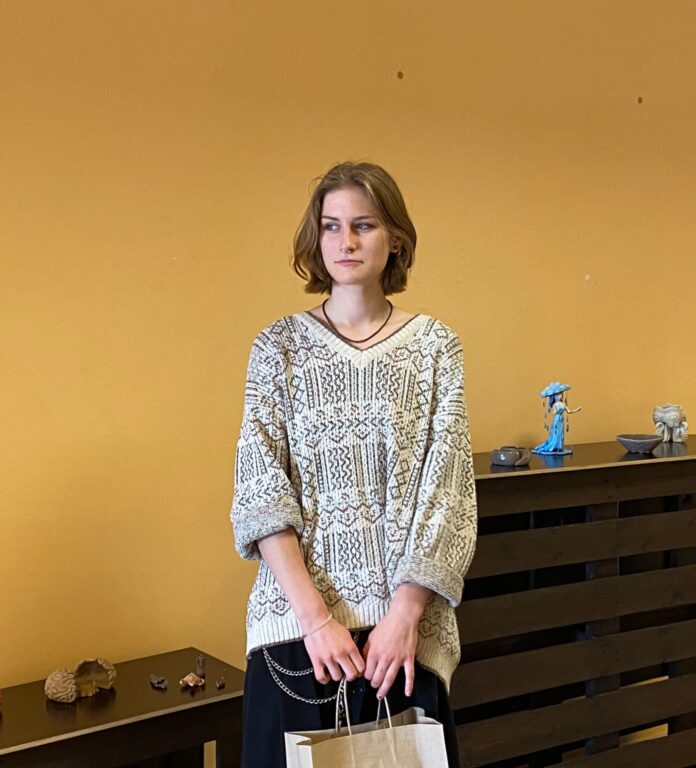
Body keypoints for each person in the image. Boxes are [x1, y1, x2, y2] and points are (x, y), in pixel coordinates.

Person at [230, 161, 477, 767]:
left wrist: (405, 615)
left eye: (363, 225)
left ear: (394, 238)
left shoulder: (434, 348)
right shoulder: (278, 347)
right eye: (331, 226)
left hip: (402, 638)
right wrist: (316, 620)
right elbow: (261, 490)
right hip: (298, 632)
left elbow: (448, 491)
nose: (346, 241)